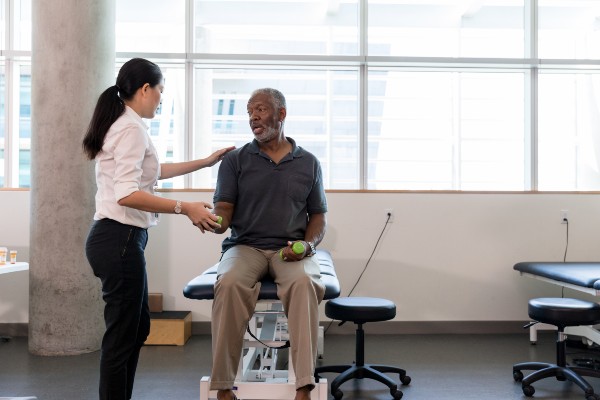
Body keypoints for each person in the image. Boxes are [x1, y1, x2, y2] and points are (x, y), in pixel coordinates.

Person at [82, 57, 234, 400]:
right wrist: (185, 208)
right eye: (161, 90)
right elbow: (126, 194)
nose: (162, 98)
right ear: (145, 89)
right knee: (123, 336)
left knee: (137, 329)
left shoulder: (126, 124)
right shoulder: (131, 128)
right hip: (118, 239)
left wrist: (205, 162)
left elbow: (153, 171)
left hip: (119, 240)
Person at [210, 88, 328, 400]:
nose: (253, 117)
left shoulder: (308, 162)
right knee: (230, 282)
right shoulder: (235, 161)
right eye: (250, 112)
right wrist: (210, 221)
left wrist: (307, 245)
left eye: (260, 110)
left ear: (281, 114)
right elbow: (223, 213)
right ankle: (223, 386)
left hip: (290, 248)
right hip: (245, 245)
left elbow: (318, 216)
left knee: (304, 283)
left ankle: (304, 384)